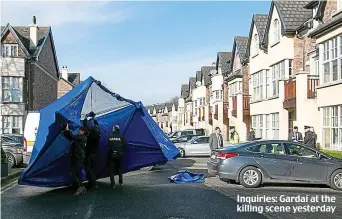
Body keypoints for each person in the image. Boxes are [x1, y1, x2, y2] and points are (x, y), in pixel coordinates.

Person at [63, 123, 87, 195]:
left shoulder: (82, 137)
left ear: (82, 131)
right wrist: (66, 131)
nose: (78, 131)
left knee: (74, 173)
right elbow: (71, 137)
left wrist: (68, 130)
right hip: (77, 157)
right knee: (78, 173)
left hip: (79, 158)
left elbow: (72, 136)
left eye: (79, 130)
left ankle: (80, 188)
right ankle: (82, 188)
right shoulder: (79, 137)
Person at [83, 112, 101, 189]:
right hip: (94, 154)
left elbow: (85, 126)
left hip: (88, 154)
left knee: (88, 168)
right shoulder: (98, 135)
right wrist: (94, 118)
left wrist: (86, 117)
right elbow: (97, 126)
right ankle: (91, 182)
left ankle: (94, 184)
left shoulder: (90, 136)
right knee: (92, 168)